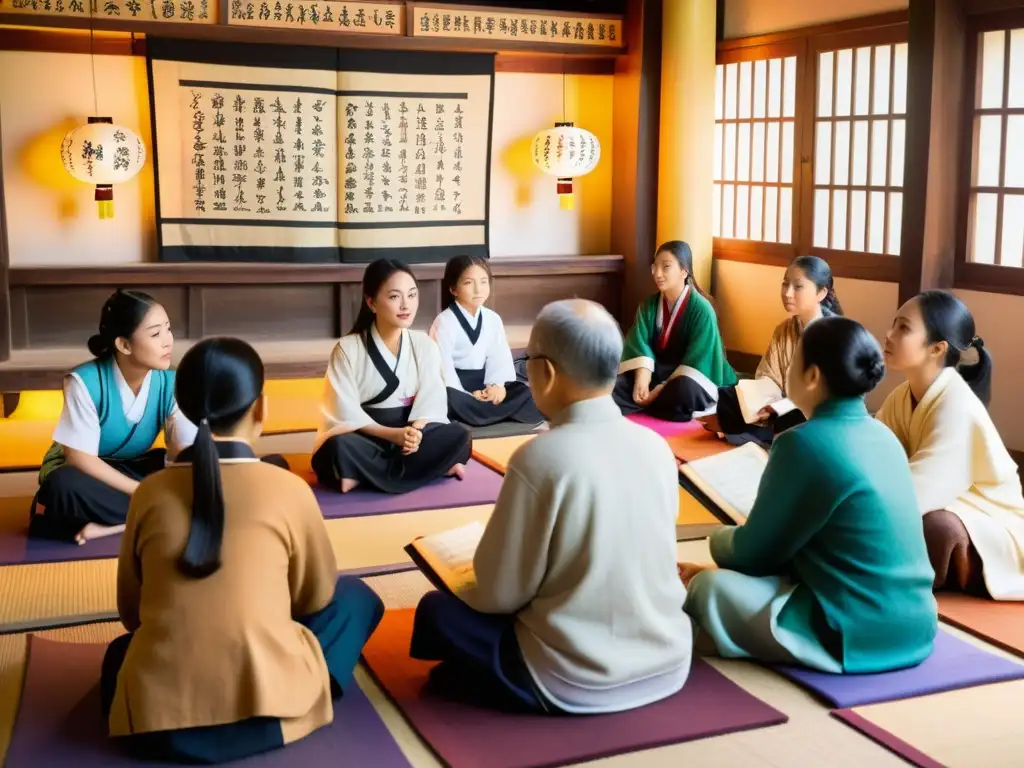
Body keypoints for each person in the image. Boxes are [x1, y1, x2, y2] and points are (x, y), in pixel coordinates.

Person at [101, 338, 384, 764]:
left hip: (159, 725)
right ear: (261, 408)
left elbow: (132, 614)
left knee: (121, 654)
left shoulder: (149, 493)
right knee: (355, 598)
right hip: (271, 715)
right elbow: (314, 598)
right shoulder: (288, 489)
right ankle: (299, 687)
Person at [410, 299, 691, 713]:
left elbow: (497, 595)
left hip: (573, 675)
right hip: (668, 661)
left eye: (530, 360)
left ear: (546, 372)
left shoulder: (540, 457)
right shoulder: (657, 447)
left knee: (438, 612)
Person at [681, 316, 937, 673]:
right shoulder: (886, 438)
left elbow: (753, 555)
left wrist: (717, 541)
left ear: (813, 376)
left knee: (708, 588)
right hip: (919, 627)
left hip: (851, 631)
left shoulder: (801, 443)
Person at [877, 290, 1024, 601]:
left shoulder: (955, 402)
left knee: (938, 529)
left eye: (903, 328)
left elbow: (920, 493)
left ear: (937, 348)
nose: (888, 335)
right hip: (942, 503)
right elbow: (871, 455)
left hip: (988, 519)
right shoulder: (900, 397)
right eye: (893, 324)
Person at [31, 290, 197, 545]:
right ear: (124, 344)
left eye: (168, 329)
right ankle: (162, 512)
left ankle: (118, 524)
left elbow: (181, 452)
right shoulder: (84, 382)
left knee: (196, 472)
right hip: (82, 473)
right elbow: (79, 458)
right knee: (63, 487)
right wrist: (145, 492)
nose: (168, 342)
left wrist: (185, 476)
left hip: (133, 466)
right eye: (155, 334)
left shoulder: (171, 381)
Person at [312, 259, 472, 494]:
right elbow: (343, 412)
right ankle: (430, 470)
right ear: (371, 302)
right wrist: (392, 435)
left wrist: (413, 434)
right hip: (365, 435)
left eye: (412, 295)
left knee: (460, 435)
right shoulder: (348, 348)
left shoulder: (424, 345)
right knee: (336, 448)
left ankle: (360, 476)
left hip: (411, 436)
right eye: (395, 297)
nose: (406, 305)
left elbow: (432, 401)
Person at [700, 256, 843, 446]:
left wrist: (781, 406)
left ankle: (751, 433)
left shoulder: (836, 334)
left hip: (813, 412)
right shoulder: (783, 330)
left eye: (798, 287)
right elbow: (769, 374)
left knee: (795, 418)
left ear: (821, 293)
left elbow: (827, 394)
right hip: (778, 405)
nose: (787, 293)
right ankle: (757, 433)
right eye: (785, 284)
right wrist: (762, 399)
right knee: (729, 396)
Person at [612, 240, 737, 421]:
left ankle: (649, 404)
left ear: (684, 271)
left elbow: (699, 360)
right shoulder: (649, 306)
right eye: (655, 267)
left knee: (683, 392)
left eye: (666, 267)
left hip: (688, 377)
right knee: (615, 385)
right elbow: (639, 343)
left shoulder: (702, 309)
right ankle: (653, 403)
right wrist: (642, 376)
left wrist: (662, 387)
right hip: (655, 374)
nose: (658, 273)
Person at [429, 255, 544, 428]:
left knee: (523, 392)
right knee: (449, 398)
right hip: (457, 388)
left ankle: (484, 412)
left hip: (485, 383)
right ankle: (491, 412)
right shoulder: (444, 321)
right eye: (469, 283)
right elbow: (443, 367)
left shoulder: (492, 319)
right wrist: (466, 395)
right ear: (453, 289)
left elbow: (498, 357)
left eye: (483, 282)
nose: (478, 290)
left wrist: (496, 386)